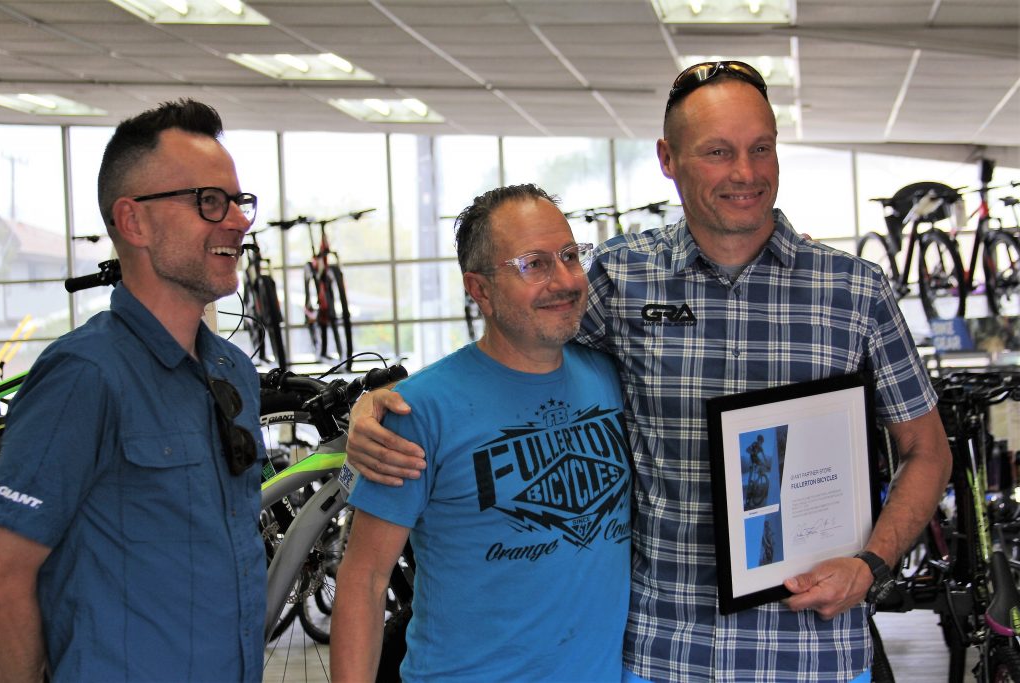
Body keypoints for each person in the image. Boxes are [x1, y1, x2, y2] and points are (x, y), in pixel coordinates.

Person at [344, 61, 952, 682]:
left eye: (760, 148)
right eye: (718, 152)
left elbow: (927, 452)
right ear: (668, 159)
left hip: (813, 654)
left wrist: (871, 565)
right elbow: (513, 349)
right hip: (662, 656)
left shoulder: (854, 290)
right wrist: (383, 401)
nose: (745, 172)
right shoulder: (618, 277)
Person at [0, 99, 266, 682]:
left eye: (239, 202)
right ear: (134, 221)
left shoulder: (231, 372)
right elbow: (3, 572)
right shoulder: (84, 376)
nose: (239, 221)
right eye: (209, 201)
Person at [330, 184, 632, 681]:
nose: (565, 280)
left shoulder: (610, 377)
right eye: (533, 264)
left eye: (570, 256)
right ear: (480, 290)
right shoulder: (419, 410)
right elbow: (364, 580)